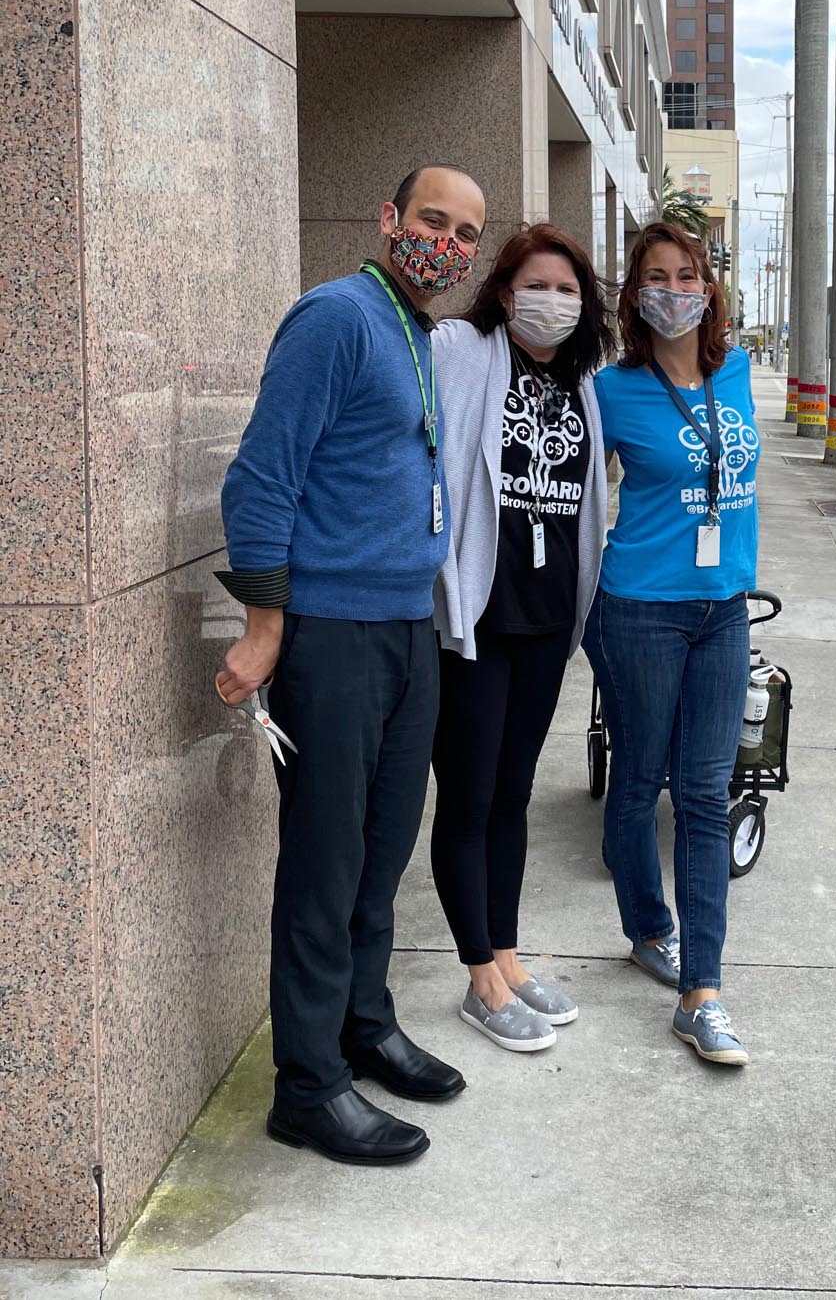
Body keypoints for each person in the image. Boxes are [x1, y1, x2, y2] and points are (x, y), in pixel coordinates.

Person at [215, 165, 487, 1166]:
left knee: (381, 854)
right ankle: (308, 1083)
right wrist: (265, 628)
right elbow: (261, 478)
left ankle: (362, 1026)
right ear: (387, 218)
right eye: (431, 221)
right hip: (329, 637)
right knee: (326, 866)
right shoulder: (334, 318)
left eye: (465, 232)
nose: (447, 244)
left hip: (404, 628)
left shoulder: (415, 334)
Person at [430, 223, 612, 1052]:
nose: (554, 302)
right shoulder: (464, 351)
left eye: (570, 290)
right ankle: (477, 980)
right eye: (538, 285)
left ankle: (505, 955)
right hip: (474, 622)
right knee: (467, 799)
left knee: (513, 797)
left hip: (545, 623)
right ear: (505, 293)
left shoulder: (583, 383)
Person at [585, 221, 761, 1067]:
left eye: (688, 274)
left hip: (723, 610)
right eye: (657, 276)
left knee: (703, 794)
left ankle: (704, 993)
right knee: (637, 779)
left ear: (711, 287)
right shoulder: (612, 390)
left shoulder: (742, 376)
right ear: (635, 293)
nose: (675, 289)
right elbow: (581, 506)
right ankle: (647, 928)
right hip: (641, 609)